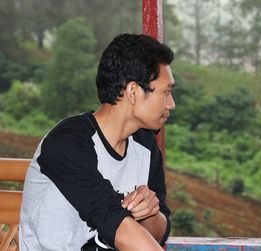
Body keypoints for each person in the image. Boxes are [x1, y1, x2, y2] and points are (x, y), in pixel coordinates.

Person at [19, 34, 176, 251]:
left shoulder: (145, 145)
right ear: (133, 91)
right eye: (166, 92)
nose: (171, 104)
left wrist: (151, 212)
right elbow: (115, 225)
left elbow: (157, 234)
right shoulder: (68, 142)